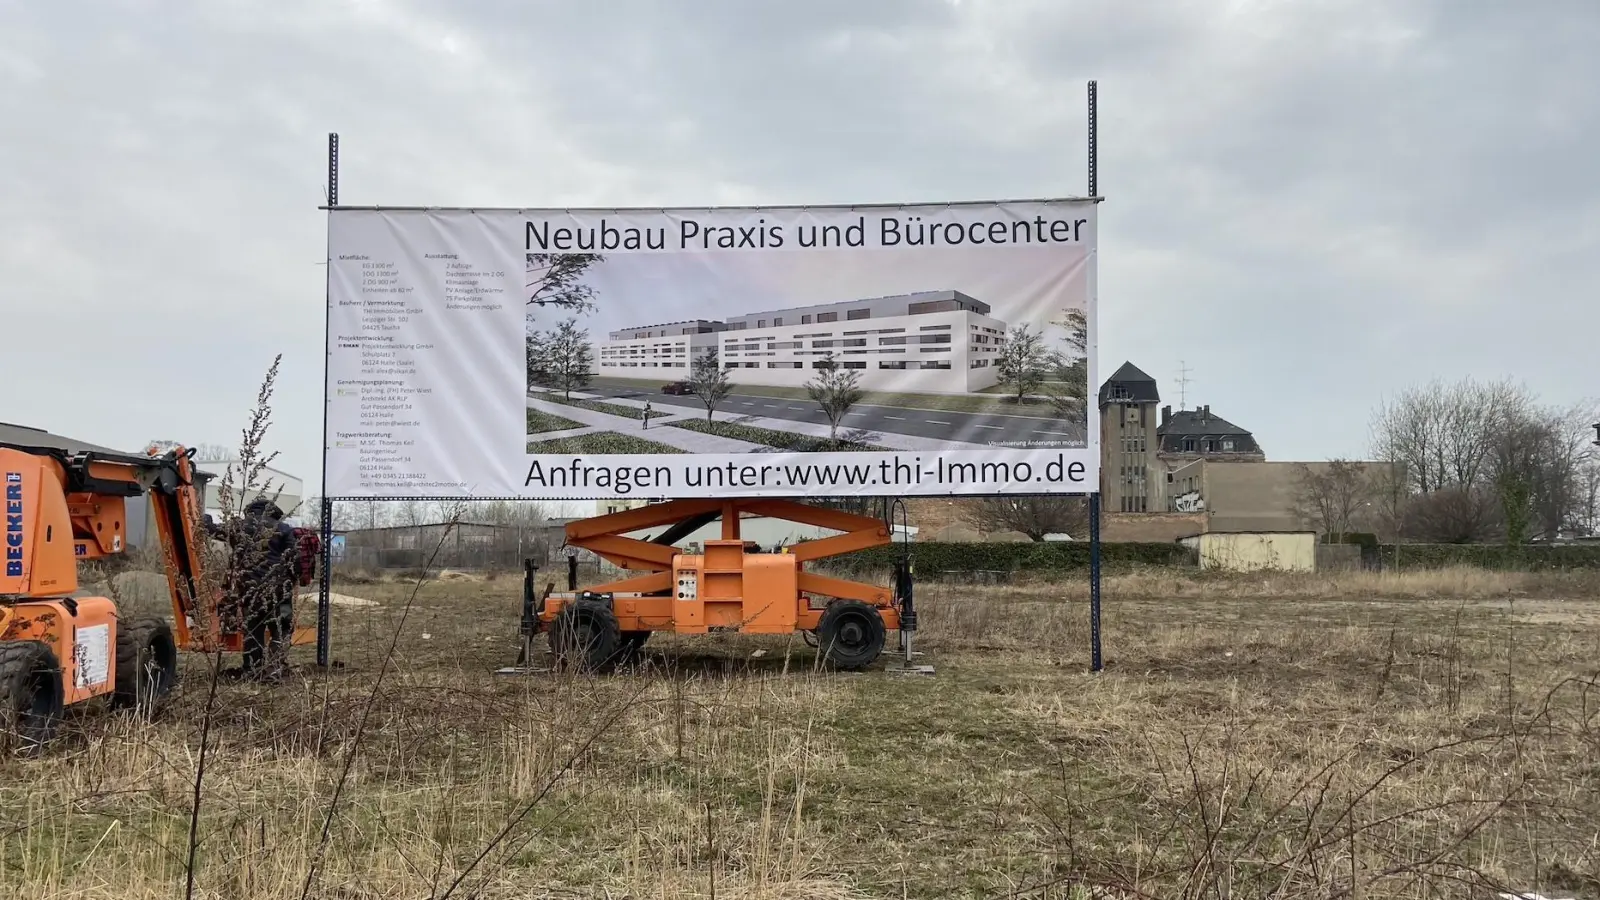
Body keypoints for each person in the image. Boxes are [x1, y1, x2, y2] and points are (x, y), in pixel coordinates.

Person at [203, 498, 299, 679]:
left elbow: (212, 530)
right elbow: (294, 559)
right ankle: (274, 670)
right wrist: (293, 579)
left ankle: (252, 671)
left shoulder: (239, 527)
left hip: (250, 588)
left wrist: (205, 519)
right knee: (281, 628)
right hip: (279, 589)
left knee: (254, 629)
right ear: (273, 511)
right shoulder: (284, 529)